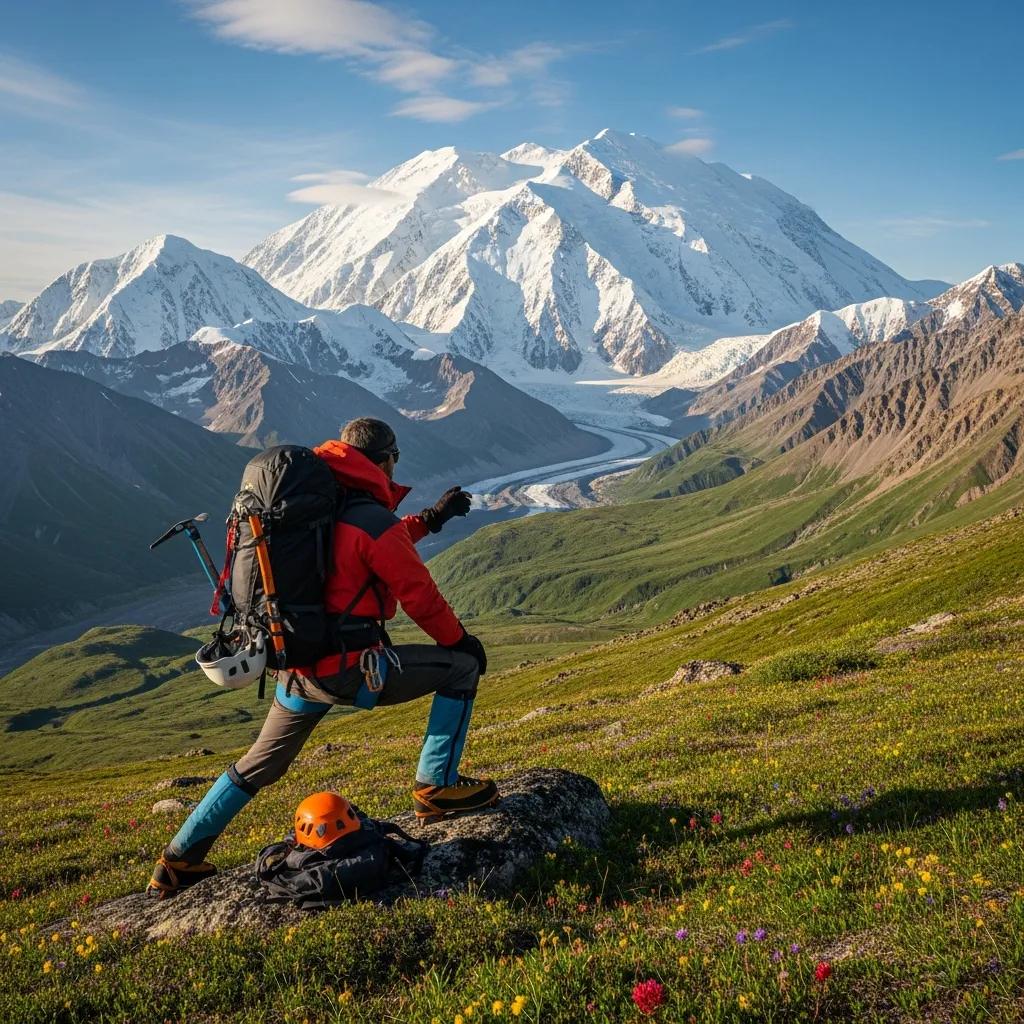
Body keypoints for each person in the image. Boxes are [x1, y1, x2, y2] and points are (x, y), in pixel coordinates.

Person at [147, 418, 497, 899]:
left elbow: (371, 546)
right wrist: (459, 640)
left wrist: (432, 518)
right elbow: (417, 592)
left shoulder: (314, 506)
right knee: (461, 669)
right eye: (395, 458)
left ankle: (179, 860)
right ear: (385, 460)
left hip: (297, 666)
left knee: (258, 765)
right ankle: (436, 787)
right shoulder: (366, 517)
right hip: (351, 669)